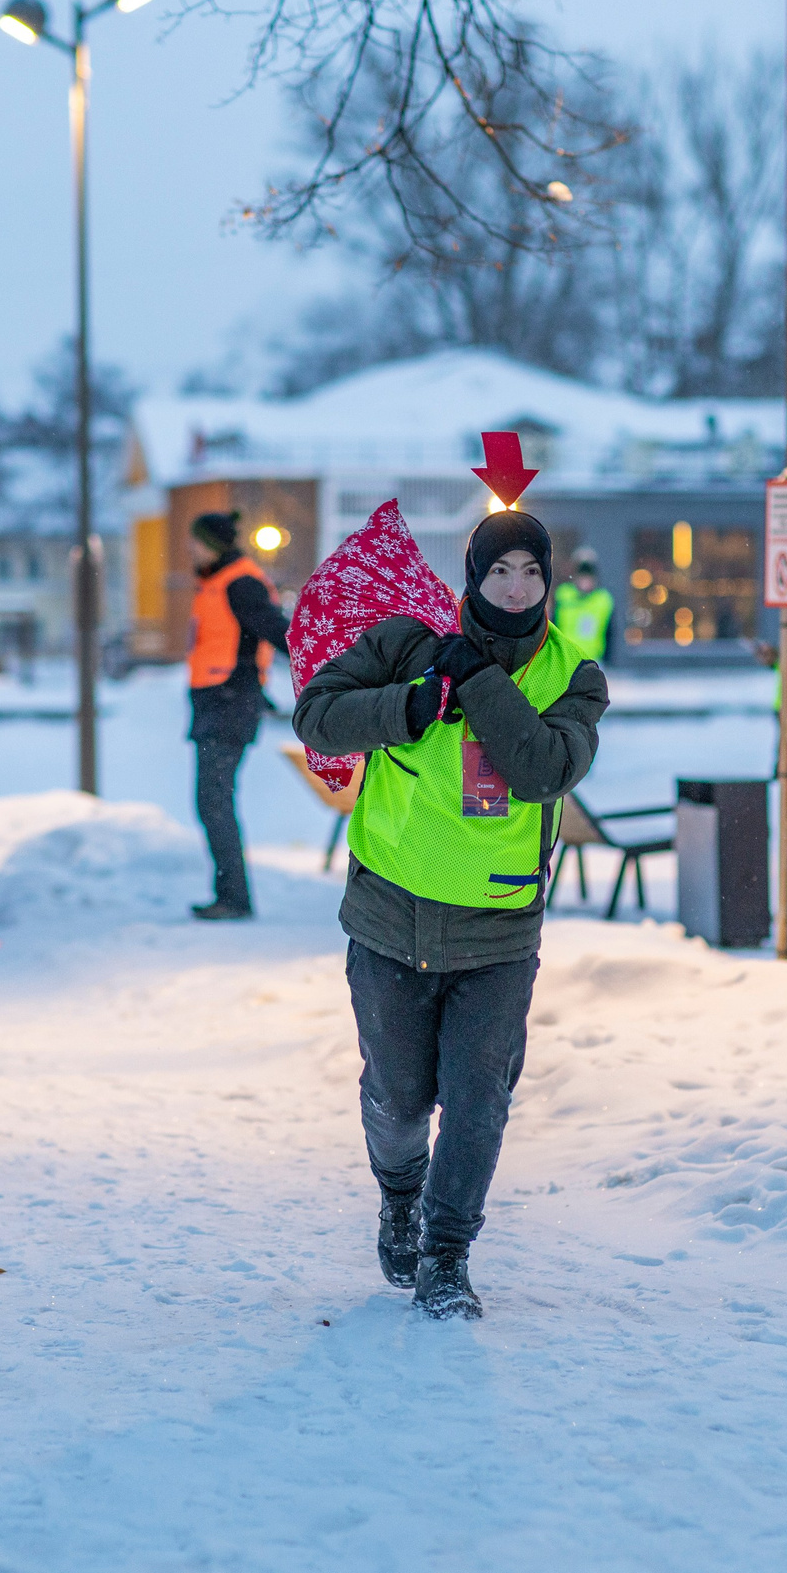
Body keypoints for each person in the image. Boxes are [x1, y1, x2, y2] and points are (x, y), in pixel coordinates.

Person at [292, 509, 610, 1319]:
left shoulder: (576, 676)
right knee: (398, 1099)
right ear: (473, 576)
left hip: (498, 933)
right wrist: (409, 702)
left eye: (531, 572)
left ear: (548, 581)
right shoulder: (406, 642)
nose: (515, 587)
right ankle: (399, 1195)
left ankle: (446, 1256)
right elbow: (319, 715)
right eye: (499, 571)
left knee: (477, 1104)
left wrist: (476, 681)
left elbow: (542, 770)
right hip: (390, 914)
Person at [185, 511, 292, 920]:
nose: (189, 549)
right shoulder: (215, 581)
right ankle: (231, 894)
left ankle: (234, 898)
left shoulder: (241, 583)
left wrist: (324, 663)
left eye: (196, 541)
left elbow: (275, 629)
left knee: (214, 801)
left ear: (213, 545)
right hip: (217, 704)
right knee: (212, 802)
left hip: (230, 704)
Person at [551, 546, 615, 664]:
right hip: (565, 659)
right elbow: (553, 626)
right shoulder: (564, 594)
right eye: (582, 576)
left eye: (588, 577)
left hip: (593, 659)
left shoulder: (603, 600)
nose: (585, 582)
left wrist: (608, 659)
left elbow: (609, 632)